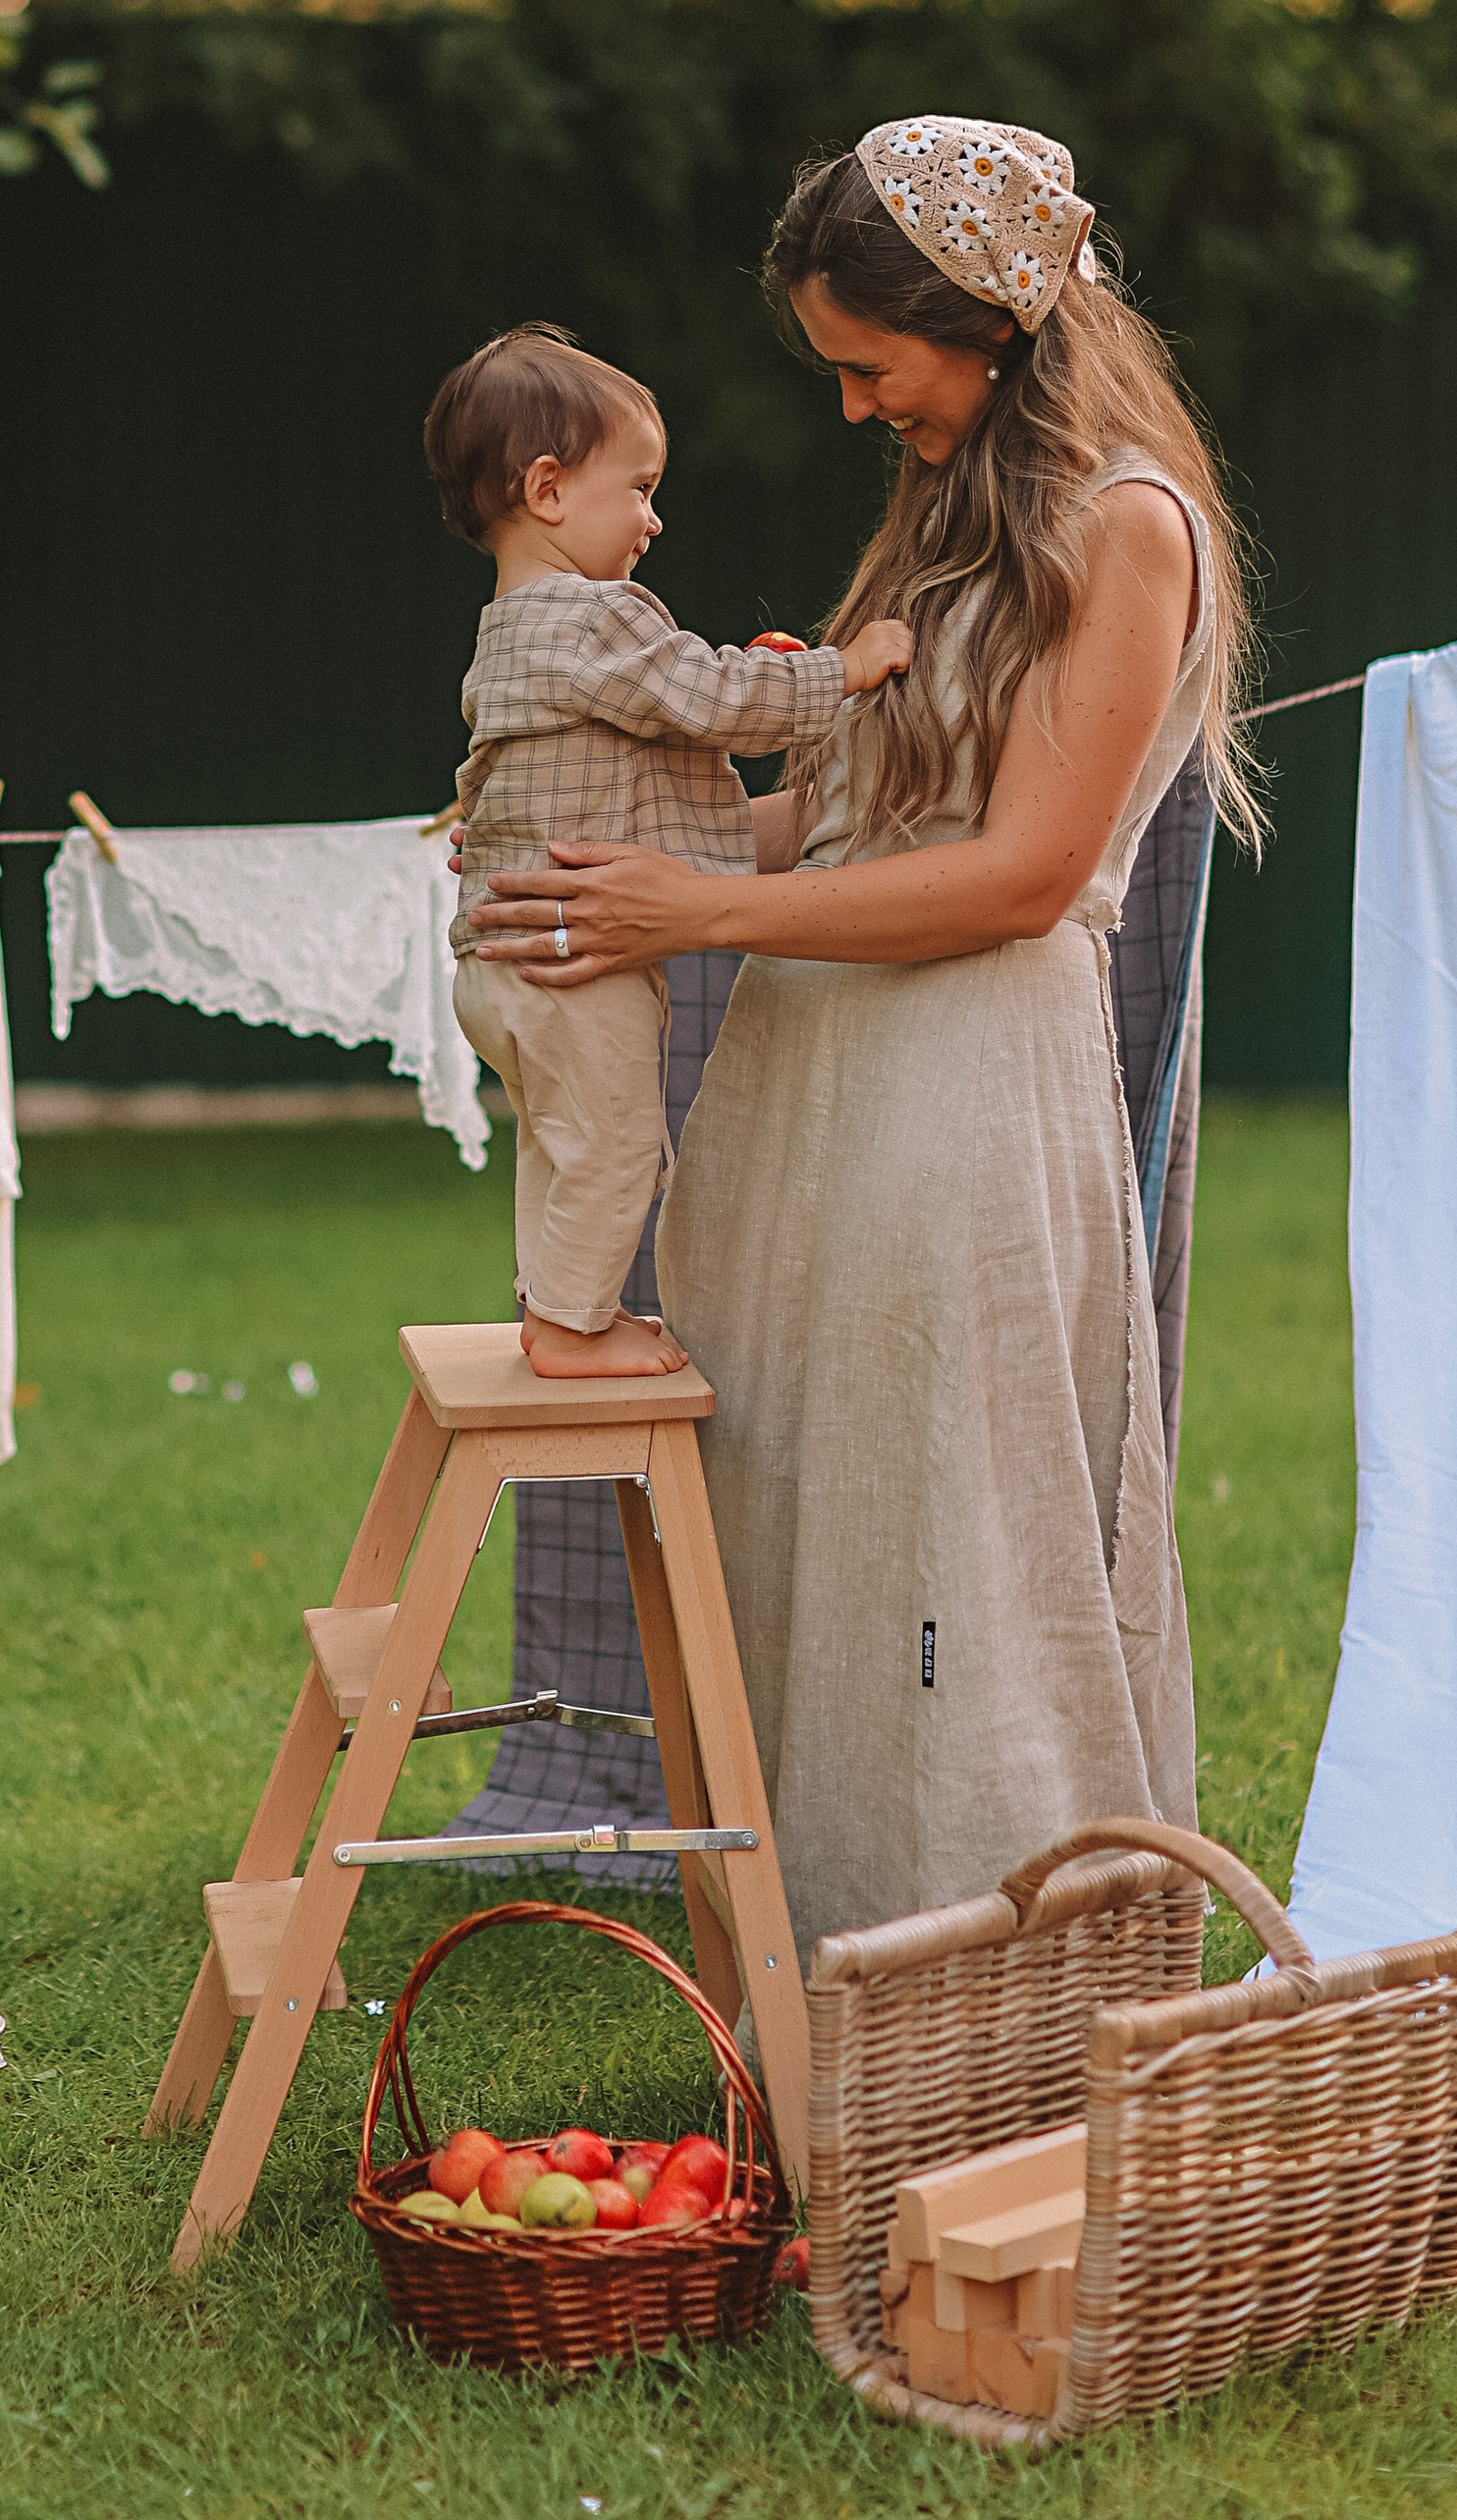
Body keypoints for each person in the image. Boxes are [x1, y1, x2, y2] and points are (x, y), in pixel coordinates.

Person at [461, 121, 1260, 1960]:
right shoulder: (953, 517)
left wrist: (701, 915)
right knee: (821, 1568)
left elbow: (1016, 875)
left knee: (959, 1569)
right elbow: (849, 832)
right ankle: (825, 1998)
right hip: (815, 1107)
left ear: (984, 326)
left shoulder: (1122, 526)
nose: (848, 407)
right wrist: (590, 860)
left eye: (864, 364)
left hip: (960, 1107)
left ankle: (1003, 1986)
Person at [423, 323, 911, 1381]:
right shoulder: (595, 617)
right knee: (617, 1145)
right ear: (548, 490)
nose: (653, 518)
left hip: (497, 964)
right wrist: (842, 672)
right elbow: (710, 696)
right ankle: (570, 1329)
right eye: (637, 488)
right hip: (570, 968)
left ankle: (552, 1303)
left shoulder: (507, 627)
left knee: (557, 1140)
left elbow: (589, 771)